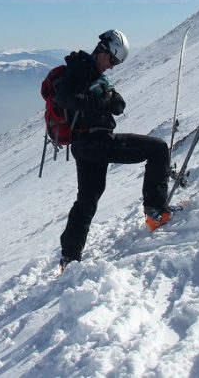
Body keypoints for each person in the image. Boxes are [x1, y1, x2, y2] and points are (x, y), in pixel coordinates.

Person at [55, 29, 172, 271]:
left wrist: (110, 99)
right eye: (112, 60)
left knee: (87, 199)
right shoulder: (80, 69)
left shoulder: (94, 74)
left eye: (116, 63)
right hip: (96, 142)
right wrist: (102, 101)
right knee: (158, 149)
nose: (112, 67)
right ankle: (156, 212)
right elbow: (66, 98)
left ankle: (69, 257)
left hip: (85, 146)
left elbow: (118, 104)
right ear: (102, 51)